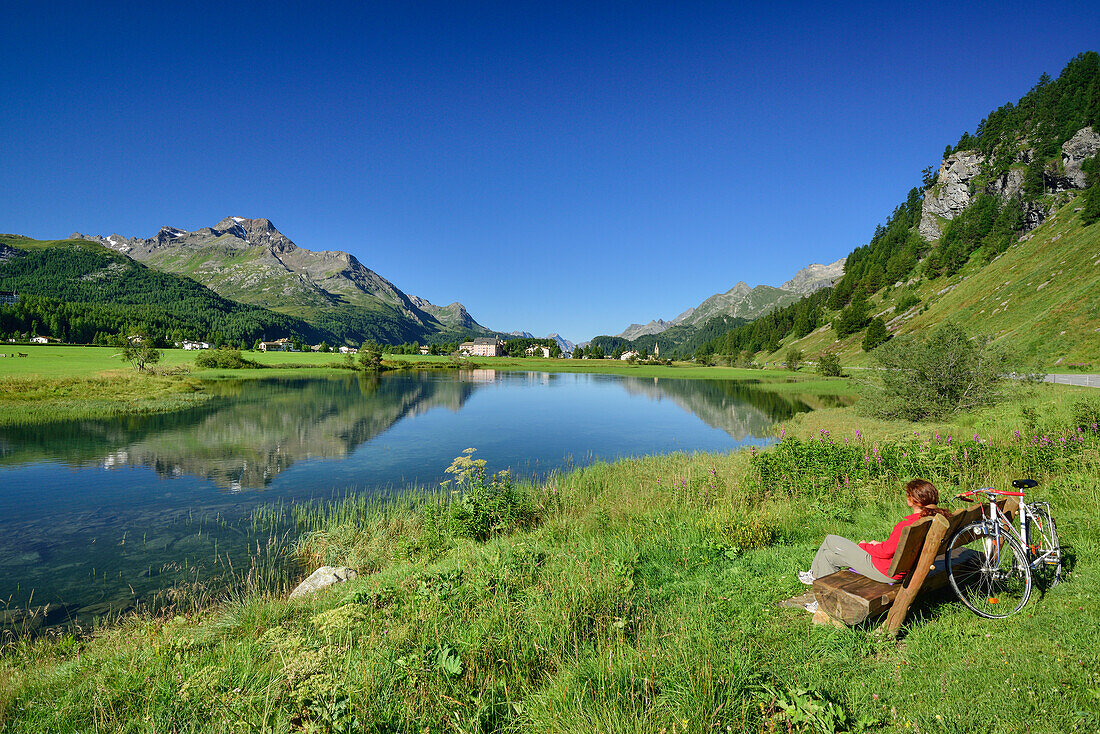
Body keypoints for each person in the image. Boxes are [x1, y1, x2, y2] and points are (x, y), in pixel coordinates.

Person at [799, 479, 949, 612]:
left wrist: (865, 546)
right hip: (902, 568)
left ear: (914, 500)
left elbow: (886, 552)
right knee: (828, 556)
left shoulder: (908, 526)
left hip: (885, 570)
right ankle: (822, 601)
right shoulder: (933, 520)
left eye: (908, 495)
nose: (907, 497)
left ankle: (814, 575)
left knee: (831, 540)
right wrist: (880, 544)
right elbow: (893, 547)